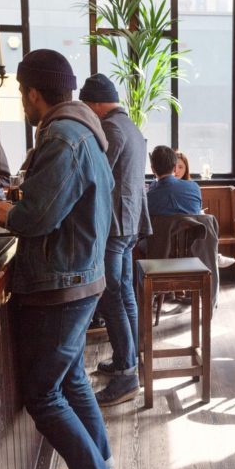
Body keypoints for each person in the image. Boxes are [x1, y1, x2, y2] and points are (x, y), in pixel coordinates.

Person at [0, 49, 129, 469]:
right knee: (72, 380)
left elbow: (38, 218)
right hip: (79, 277)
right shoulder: (82, 128)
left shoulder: (63, 136)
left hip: (62, 282)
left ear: (33, 93)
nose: (22, 103)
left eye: (21, 94)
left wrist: (6, 213)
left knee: (43, 394)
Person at [80, 73, 151, 406]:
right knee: (124, 294)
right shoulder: (131, 126)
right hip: (130, 223)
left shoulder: (110, 128)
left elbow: (98, 173)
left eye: (86, 106)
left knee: (112, 298)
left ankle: (126, 374)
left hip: (114, 226)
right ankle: (129, 359)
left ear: (95, 104)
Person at [146, 145, 202, 216]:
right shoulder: (194, 188)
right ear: (174, 167)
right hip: (193, 224)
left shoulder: (148, 199)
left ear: (152, 169)